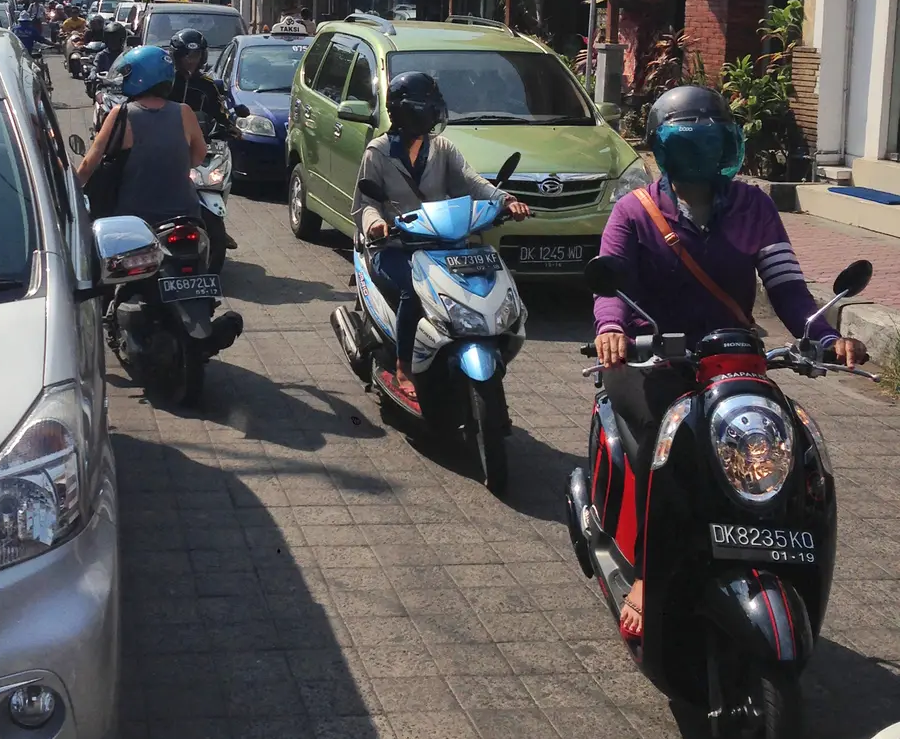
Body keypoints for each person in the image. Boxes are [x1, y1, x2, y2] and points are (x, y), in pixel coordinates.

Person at [593, 84, 867, 639]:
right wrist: (612, 331)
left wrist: (823, 336)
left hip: (731, 359)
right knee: (660, 445)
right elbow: (610, 287)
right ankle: (647, 570)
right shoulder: (634, 211)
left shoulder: (754, 207)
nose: (700, 154)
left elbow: (789, 289)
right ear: (661, 149)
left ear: (728, 146)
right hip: (656, 362)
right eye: (687, 143)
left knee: (789, 442)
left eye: (711, 141)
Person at [351, 72, 530, 408]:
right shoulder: (377, 152)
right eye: (427, 109)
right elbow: (365, 206)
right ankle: (405, 366)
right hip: (393, 248)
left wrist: (504, 200)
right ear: (407, 112)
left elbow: (473, 183)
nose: (434, 116)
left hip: (441, 246)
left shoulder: (443, 149)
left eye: (436, 109)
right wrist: (376, 224)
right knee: (412, 291)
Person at [75, 45, 206, 222]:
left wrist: (70, 192)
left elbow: (88, 164)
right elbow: (198, 157)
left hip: (133, 219)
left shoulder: (121, 114)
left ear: (138, 77)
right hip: (184, 215)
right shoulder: (185, 112)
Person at [167, 28, 238, 138]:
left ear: (202, 57)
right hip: (166, 138)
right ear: (176, 56)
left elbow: (220, 114)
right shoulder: (165, 82)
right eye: (186, 56)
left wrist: (230, 127)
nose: (191, 61)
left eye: (196, 56)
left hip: (198, 142)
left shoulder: (207, 85)